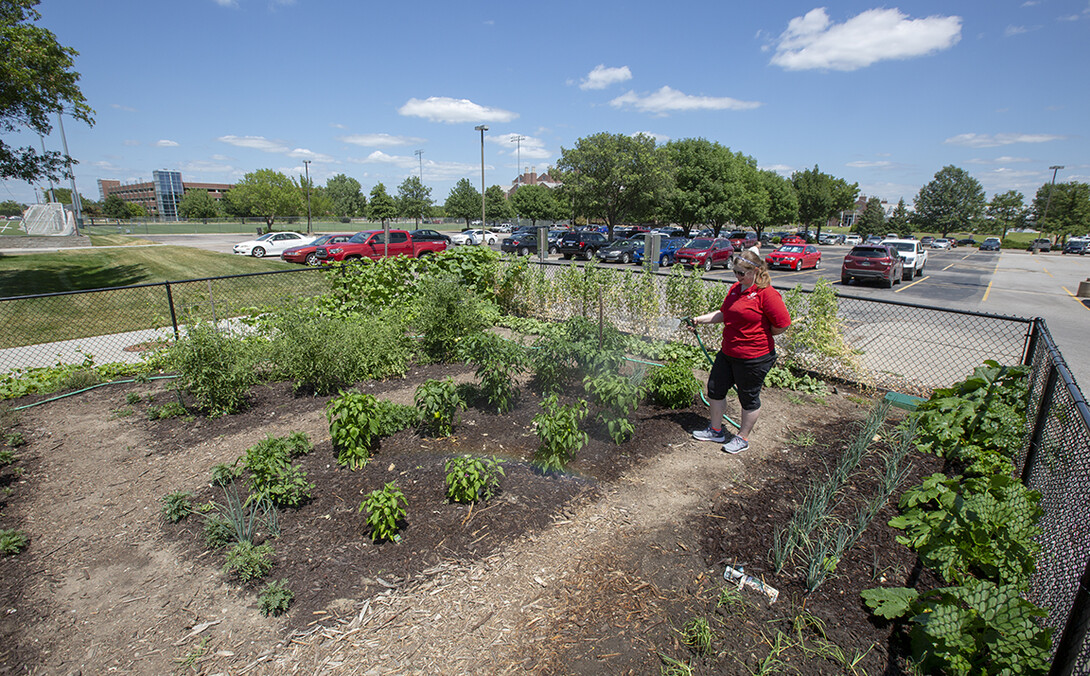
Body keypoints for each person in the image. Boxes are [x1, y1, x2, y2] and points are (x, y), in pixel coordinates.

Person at [689, 250, 791, 454]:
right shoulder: (736, 289)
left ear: (755, 271)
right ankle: (716, 430)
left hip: (754, 357)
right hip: (728, 351)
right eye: (735, 272)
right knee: (715, 389)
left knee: (748, 397)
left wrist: (761, 333)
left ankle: (742, 438)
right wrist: (700, 319)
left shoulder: (767, 294)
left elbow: (782, 324)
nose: (737, 276)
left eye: (742, 273)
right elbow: (725, 314)